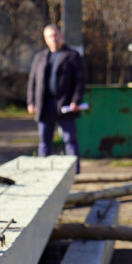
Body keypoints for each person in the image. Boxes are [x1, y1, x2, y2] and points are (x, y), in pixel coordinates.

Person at [27, 24, 86, 172]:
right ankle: (43, 170)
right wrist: (31, 102)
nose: (53, 39)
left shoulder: (72, 55)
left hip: (65, 105)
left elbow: (80, 81)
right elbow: (32, 81)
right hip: (44, 104)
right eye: (49, 36)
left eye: (55, 35)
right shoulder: (40, 57)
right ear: (45, 39)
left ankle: (74, 171)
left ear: (61, 36)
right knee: (44, 140)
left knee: (69, 139)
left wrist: (75, 100)